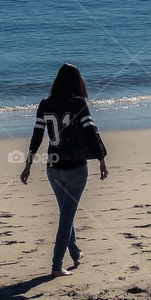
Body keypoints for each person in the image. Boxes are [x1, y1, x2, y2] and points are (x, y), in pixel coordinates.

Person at [20, 64, 108, 277]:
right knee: (66, 218)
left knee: (66, 214)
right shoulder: (78, 103)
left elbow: (37, 136)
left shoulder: (45, 104)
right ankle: (56, 266)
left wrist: (29, 163)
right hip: (76, 168)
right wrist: (102, 159)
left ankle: (75, 252)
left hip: (53, 168)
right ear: (77, 82)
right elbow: (90, 133)